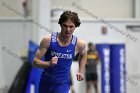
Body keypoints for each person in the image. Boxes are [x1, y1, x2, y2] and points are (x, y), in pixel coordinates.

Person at [33, 11, 87, 93]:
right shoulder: (48, 40)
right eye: (65, 26)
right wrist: (48, 64)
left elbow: (84, 55)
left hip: (62, 84)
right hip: (45, 83)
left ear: (75, 26)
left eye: (71, 26)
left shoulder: (79, 44)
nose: (68, 30)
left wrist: (81, 71)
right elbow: (35, 62)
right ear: (60, 24)